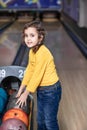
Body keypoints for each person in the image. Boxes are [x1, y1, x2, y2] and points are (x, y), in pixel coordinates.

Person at [16, 20, 62, 130]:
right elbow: (30, 70)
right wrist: (21, 89)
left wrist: (26, 93)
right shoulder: (32, 51)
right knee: (40, 120)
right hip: (42, 90)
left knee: (49, 121)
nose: (28, 39)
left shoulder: (43, 53)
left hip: (51, 91)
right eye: (26, 35)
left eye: (32, 35)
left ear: (40, 38)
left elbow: (37, 75)